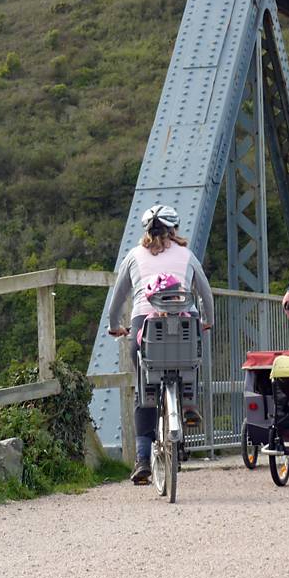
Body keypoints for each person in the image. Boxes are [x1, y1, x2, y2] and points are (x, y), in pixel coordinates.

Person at [107, 204, 214, 484]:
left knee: (144, 391)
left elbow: (117, 299)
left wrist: (114, 325)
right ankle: (188, 405)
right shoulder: (187, 255)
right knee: (191, 360)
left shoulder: (133, 256)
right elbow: (205, 294)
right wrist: (208, 321)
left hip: (145, 327)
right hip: (185, 327)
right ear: (173, 229)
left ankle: (143, 459)